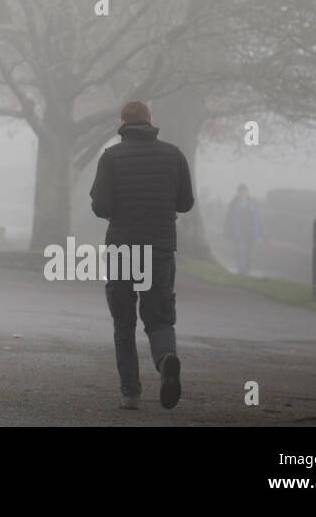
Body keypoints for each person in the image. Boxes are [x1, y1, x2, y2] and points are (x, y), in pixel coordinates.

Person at [91, 100, 194, 411]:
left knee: (124, 322)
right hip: (159, 248)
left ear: (123, 122)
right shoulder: (173, 155)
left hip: (122, 246)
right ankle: (165, 361)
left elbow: (100, 207)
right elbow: (185, 202)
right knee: (159, 317)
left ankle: (131, 393)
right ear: (150, 121)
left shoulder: (110, 157)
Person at [224, 184, 263, 275]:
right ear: (238, 193)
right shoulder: (234, 204)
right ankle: (241, 270)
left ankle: (246, 270)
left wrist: (258, 233)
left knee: (248, 253)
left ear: (247, 192)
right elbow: (229, 219)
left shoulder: (252, 204)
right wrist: (228, 231)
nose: (243, 193)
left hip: (250, 233)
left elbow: (257, 219)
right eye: (241, 191)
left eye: (245, 191)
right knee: (240, 252)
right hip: (238, 233)